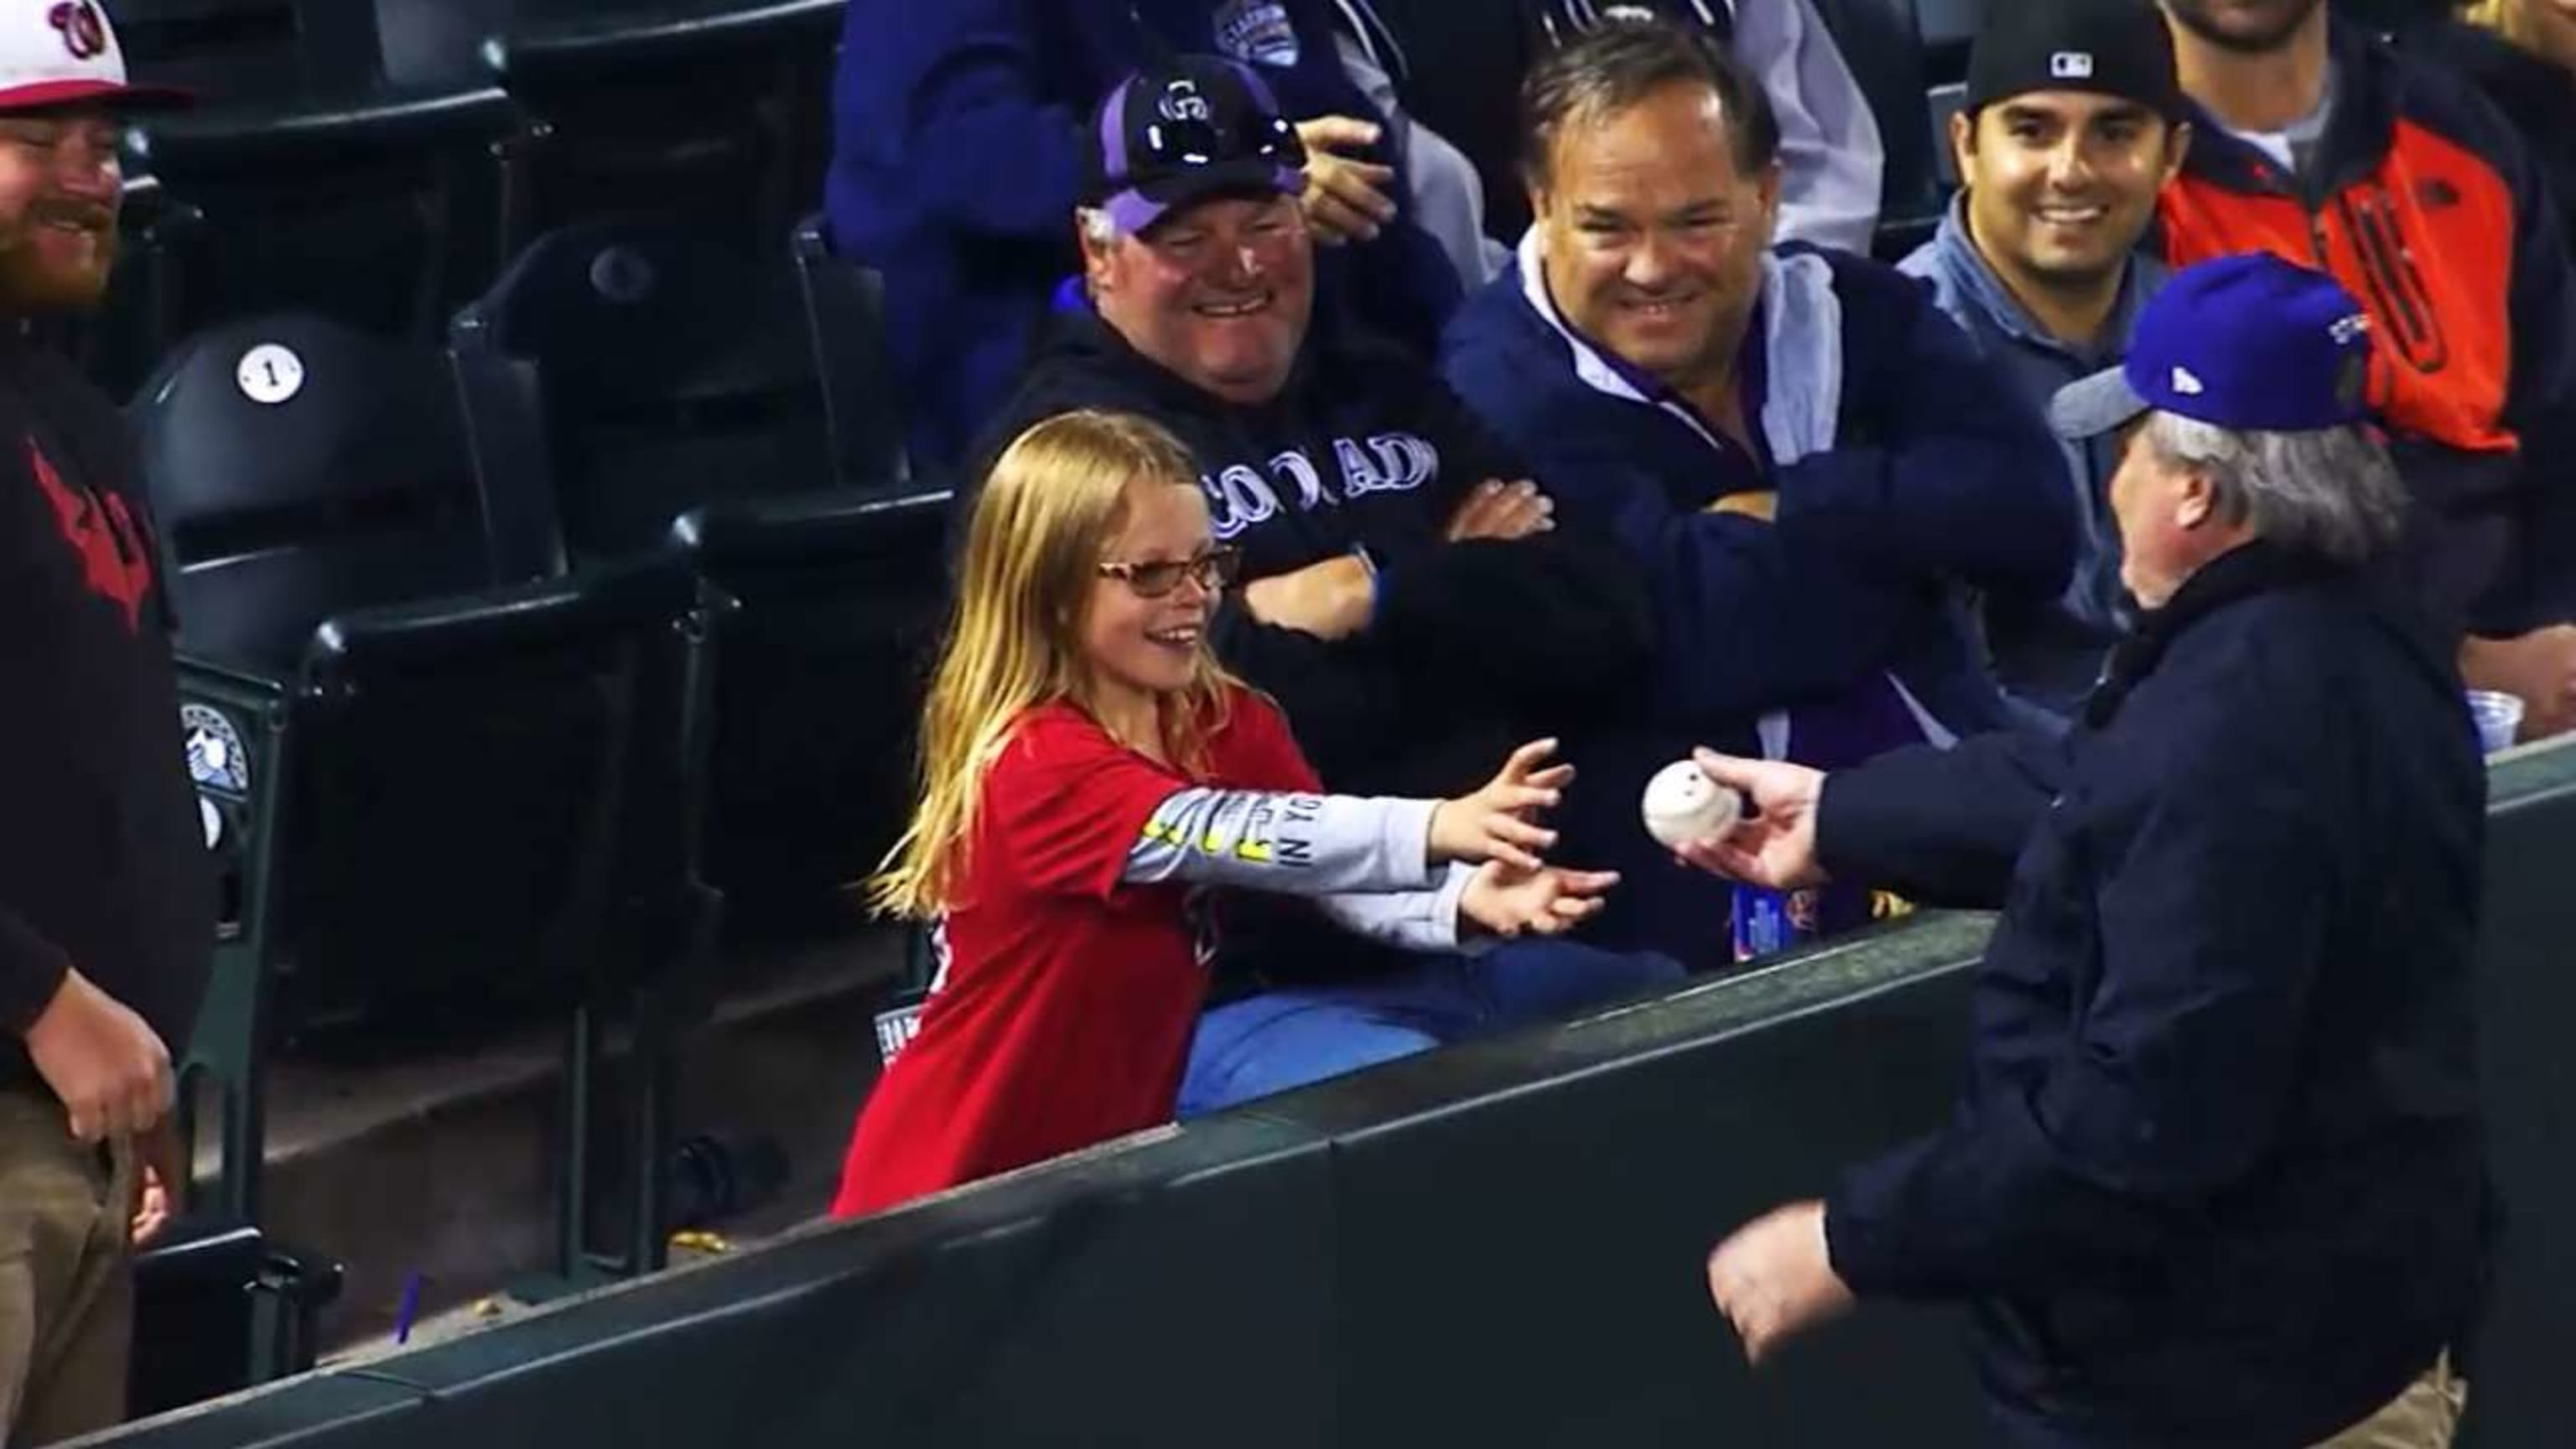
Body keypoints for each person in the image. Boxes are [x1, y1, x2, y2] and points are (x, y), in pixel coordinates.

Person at [1694, 255, 2485, 1447]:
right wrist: (1845, 818)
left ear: (2197, 498)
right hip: (2318, 1331)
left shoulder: (2245, 719)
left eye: (2135, 447)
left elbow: (2142, 1123)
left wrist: (1848, 1240)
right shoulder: (2337, 621)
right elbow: (2099, 792)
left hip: (2239, 1391)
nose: (2112, 477)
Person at [978, 57, 1681, 1114]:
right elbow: (1191, 737)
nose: (1238, 266)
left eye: (1265, 219)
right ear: (1100, 250)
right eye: (1184, 238)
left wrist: (1371, 594)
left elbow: (1610, 616)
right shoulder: (1064, 456)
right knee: (1463, 1150)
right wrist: (1461, 599)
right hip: (1238, 993)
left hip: (1494, 924)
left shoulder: (1380, 382)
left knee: (1702, 1051)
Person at [831, 411, 1620, 1216]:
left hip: (1104, 1170)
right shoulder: (1036, 763)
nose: (1195, 598)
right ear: (1051, 587)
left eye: (1207, 565)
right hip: (948, 1184)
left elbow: (1329, 879)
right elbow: (1237, 834)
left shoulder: (1224, 719)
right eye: (1149, 574)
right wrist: (1434, 826)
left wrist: (1459, 901)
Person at [1440, 18, 2073, 969]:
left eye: (1698, 221)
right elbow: (1684, 643)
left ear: (1769, 195)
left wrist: (1802, 508)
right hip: (1676, 893)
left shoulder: (1857, 312)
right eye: (1608, 227)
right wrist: (1906, 557)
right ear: (1540, 204)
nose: (1653, 269)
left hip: (1953, 797)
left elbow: (2033, 524)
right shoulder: (1486, 390)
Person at [2157, 0, 2576, 741]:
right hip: (2292, 693)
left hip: (2536, 631)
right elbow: (2177, 534)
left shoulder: (2462, 120)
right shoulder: (2119, 177)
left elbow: (2559, 415)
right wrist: (2461, 663)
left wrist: (2557, 637)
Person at [824, 0, 1468, 476]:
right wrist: (1226, 167)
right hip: (1061, 382)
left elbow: (1340, 126)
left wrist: (1451, 362)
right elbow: (963, 151)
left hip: (1316, 369)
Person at [0, 4, 209, 1441]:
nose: (93, 173)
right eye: (36, 139)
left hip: (77, 1118)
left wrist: (144, 1052)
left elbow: (119, 760)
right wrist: (48, 1001)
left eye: (106, 138)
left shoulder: (78, 417)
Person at [1900, 0, 2189, 719]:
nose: (2071, 171)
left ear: (2172, 155)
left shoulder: (2200, 334)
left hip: (2190, 739)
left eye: (2114, 132)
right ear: (1964, 144)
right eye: (2032, 130)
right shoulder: (1887, 345)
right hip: (1991, 778)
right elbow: (1924, 677)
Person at [1332, 0, 1887, 252]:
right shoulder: (1356, 16)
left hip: (1764, 309)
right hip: (1536, 366)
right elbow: (1436, 227)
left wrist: (1764, 302)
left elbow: (1825, 162)